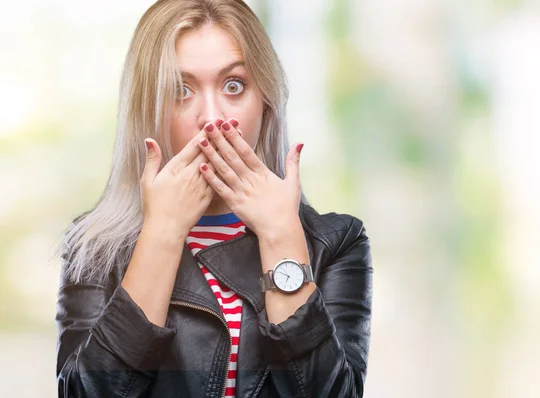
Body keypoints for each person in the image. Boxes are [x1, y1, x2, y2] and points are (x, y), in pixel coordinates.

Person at [55, 0, 373, 396]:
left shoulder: (338, 242)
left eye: (234, 85)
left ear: (266, 102)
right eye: (180, 90)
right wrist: (163, 234)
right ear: (146, 108)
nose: (211, 116)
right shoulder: (94, 248)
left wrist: (280, 236)